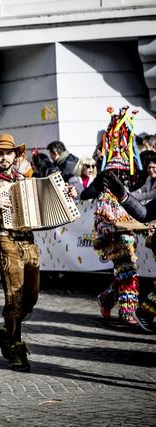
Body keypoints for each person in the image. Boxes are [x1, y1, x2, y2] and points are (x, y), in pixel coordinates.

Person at [0, 133, 76, 371]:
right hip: (5, 241)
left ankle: (5, 333)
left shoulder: (24, 179)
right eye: (0, 153)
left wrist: (67, 196)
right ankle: (16, 348)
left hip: (29, 242)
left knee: (32, 296)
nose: (4, 157)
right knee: (14, 297)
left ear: (15, 155)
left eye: (8, 153)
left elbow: (46, 206)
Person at [93, 106, 145, 329]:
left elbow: (137, 214)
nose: (121, 178)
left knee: (124, 274)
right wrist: (110, 230)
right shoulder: (105, 197)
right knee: (128, 273)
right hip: (115, 242)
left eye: (123, 175)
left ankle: (106, 298)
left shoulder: (126, 195)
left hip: (128, 240)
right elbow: (100, 222)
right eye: (116, 175)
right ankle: (128, 312)